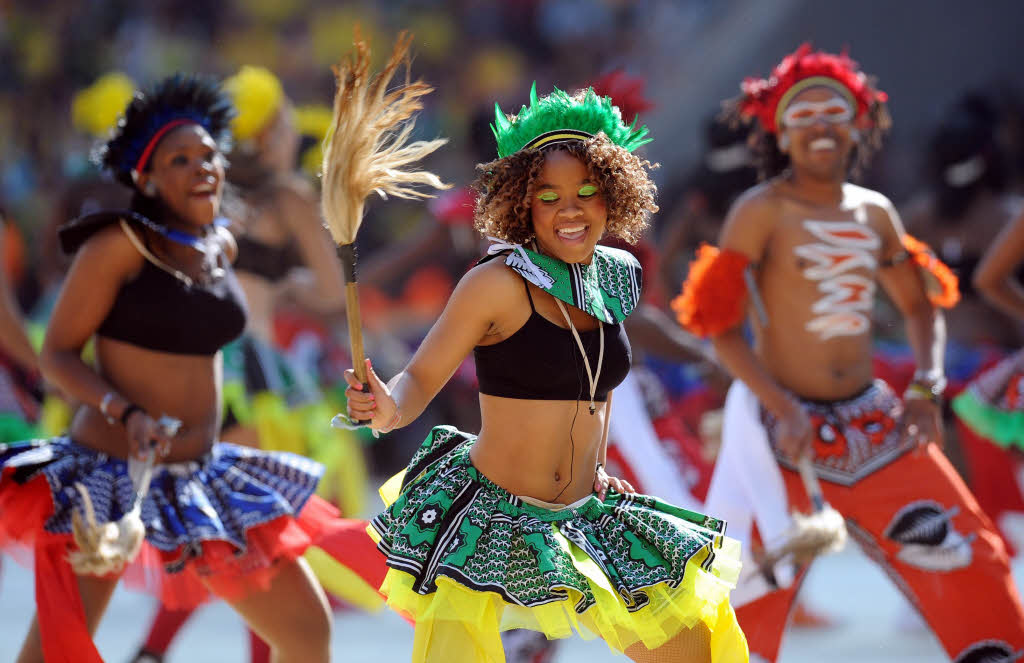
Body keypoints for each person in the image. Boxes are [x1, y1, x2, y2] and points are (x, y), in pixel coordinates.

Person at [344, 83, 747, 663]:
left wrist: (599, 463)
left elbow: (596, 387)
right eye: (549, 196)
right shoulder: (494, 283)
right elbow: (414, 384)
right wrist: (384, 405)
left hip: (589, 514)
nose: (571, 210)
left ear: (614, 196)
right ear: (521, 204)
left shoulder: (616, 276)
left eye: (587, 191)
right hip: (494, 524)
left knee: (695, 650)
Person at [0, 73, 376, 663]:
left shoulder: (218, 245)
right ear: (145, 178)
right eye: (181, 159)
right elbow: (59, 354)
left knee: (306, 632)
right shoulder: (119, 245)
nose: (203, 168)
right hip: (110, 474)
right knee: (53, 651)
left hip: (202, 475)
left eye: (210, 156)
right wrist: (123, 411)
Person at [674, 44, 1024, 662]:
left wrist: (925, 389)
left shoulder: (876, 213)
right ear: (779, 133)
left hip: (875, 422)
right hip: (777, 431)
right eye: (802, 116)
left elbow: (921, 309)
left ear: (859, 125)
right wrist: (780, 406)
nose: (819, 126)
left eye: (833, 112)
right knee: (737, 591)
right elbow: (719, 326)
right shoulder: (758, 212)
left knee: (971, 557)